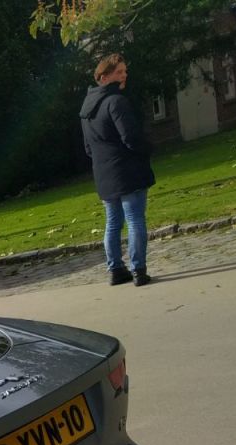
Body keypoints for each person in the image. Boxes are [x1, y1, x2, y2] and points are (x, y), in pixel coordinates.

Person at [80, 53, 156, 287]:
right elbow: (130, 136)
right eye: (119, 72)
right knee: (134, 219)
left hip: (104, 173)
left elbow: (88, 147)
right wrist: (146, 150)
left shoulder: (86, 107)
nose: (124, 76)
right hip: (127, 170)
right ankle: (139, 270)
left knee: (113, 222)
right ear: (104, 77)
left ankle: (115, 269)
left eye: (125, 71)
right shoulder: (116, 101)